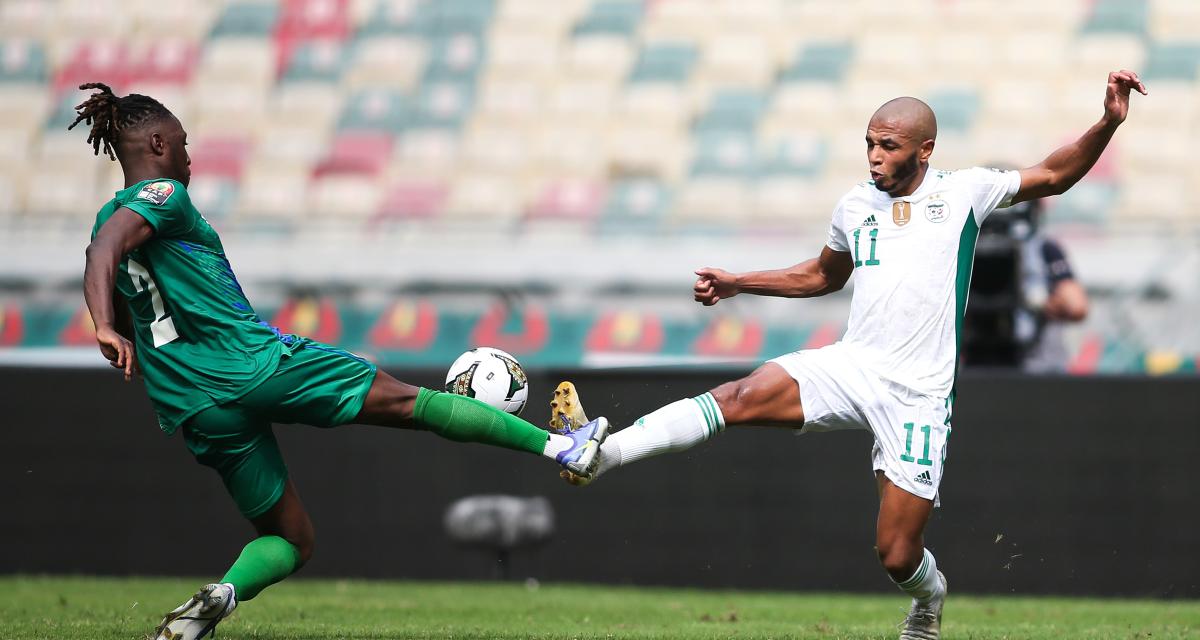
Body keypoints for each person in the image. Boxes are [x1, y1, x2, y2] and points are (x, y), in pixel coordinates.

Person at [552, 71, 1145, 640]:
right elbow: (821, 275)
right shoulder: (855, 206)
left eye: (888, 146)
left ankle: (929, 597)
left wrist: (1107, 122)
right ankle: (602, 455)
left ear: (925, 149)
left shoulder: (964, 192)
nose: (874, 156)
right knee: (738, 395)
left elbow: (1053, 174)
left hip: (919, 393)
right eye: (868, 143)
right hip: (852, 364)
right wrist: (740, 282)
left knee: (896, 554)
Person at [69, 82, 609, 640]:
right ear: (157, 142)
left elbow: (106, 258)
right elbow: (103, 250)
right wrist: (105, 326)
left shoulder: (108, 221)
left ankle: (219, 599)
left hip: (193, 406)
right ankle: (566, 445)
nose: (189, 157)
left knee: (292, 538)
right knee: (409, 402)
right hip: (251, 363)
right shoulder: (165, 198)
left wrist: (113, 325)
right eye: (182, 144)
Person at [964, 193, 1089, 371]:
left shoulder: (1043, 248)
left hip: (1037, 363)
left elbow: (1077, 306)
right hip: (980, 359)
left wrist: (1041, 302)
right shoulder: (968, 249)